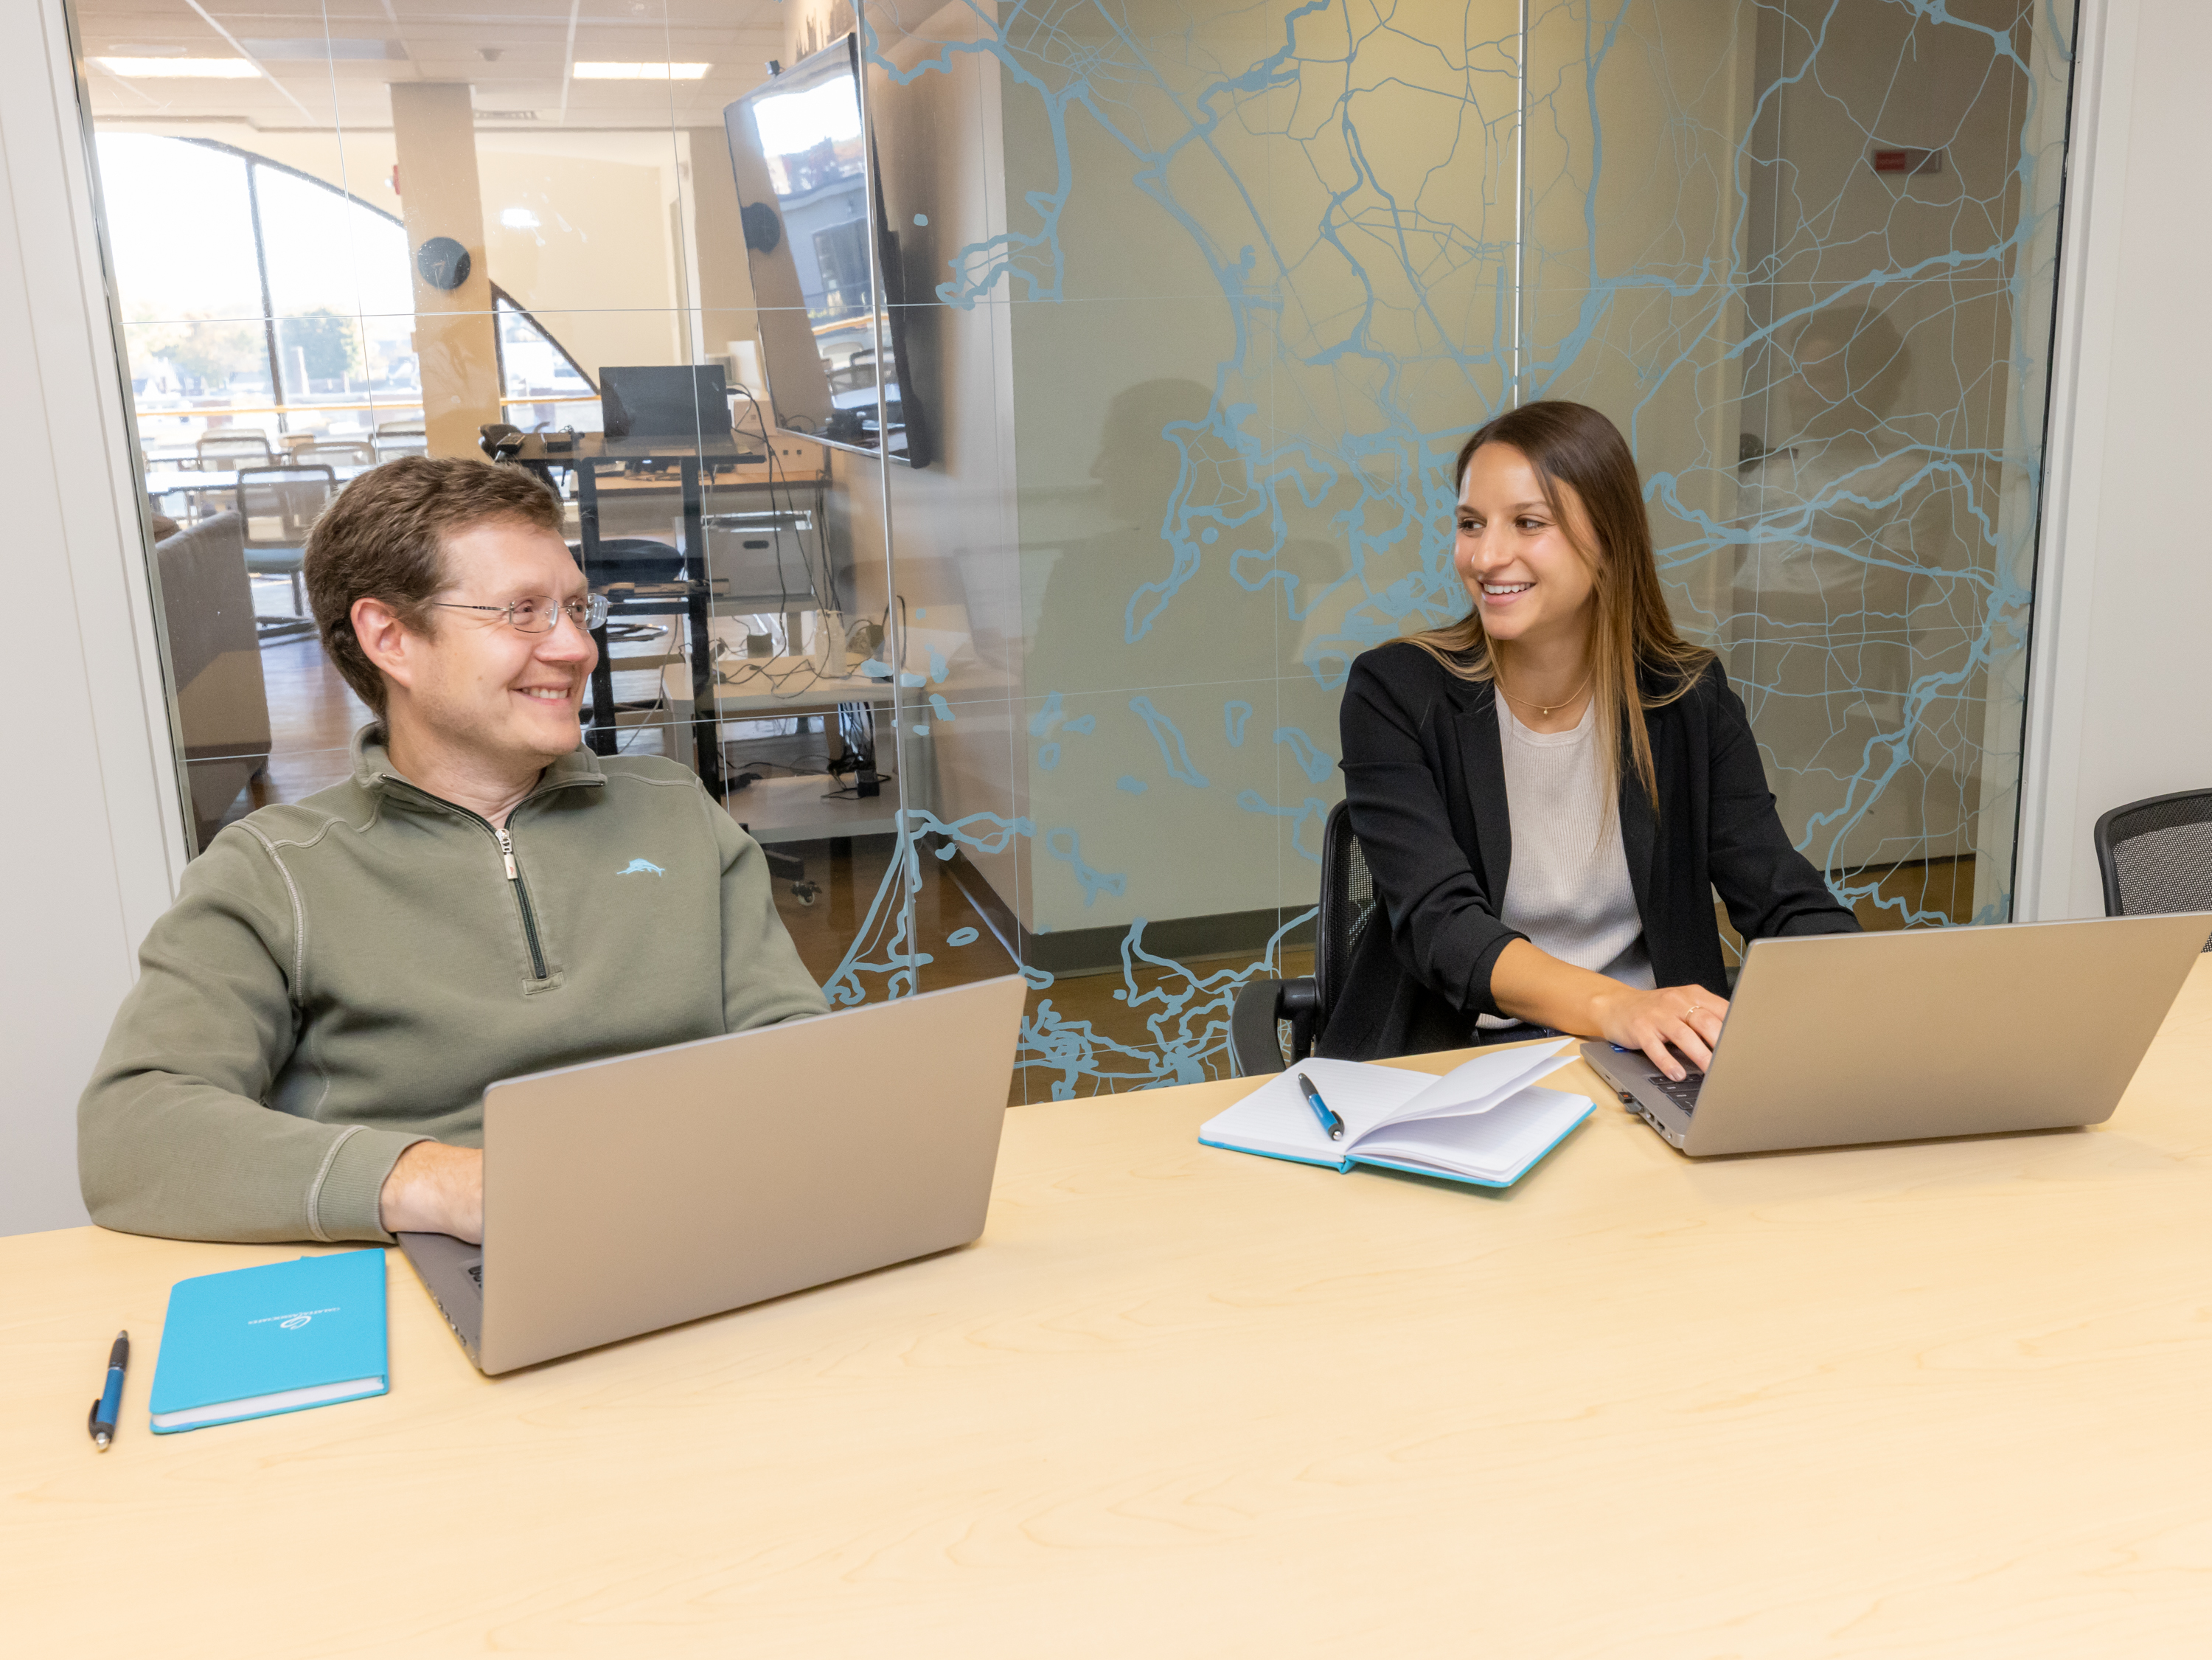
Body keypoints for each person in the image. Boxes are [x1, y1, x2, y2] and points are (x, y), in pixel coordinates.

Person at [80, 457, 829, 1246]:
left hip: (700, 1227)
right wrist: (447, 1185)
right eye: (524, 612)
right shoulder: (272, 874)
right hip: (443, 1266)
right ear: (391, 637)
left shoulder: (677, 812)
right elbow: (132, 1134)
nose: (576, 649)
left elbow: (792, 1045)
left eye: (578, 608)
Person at [1326, 400, 1858, 1078]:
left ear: (1607, 539)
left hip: (1652, 1064)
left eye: (1528, 523)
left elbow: (1782, 901)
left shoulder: (1685, 698)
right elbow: (1445, 927)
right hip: (1453, 1067)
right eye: (1470, 524)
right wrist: (1619, 1008)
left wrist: (1874, 1003)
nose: (1486, 555)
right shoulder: (1396, 692)